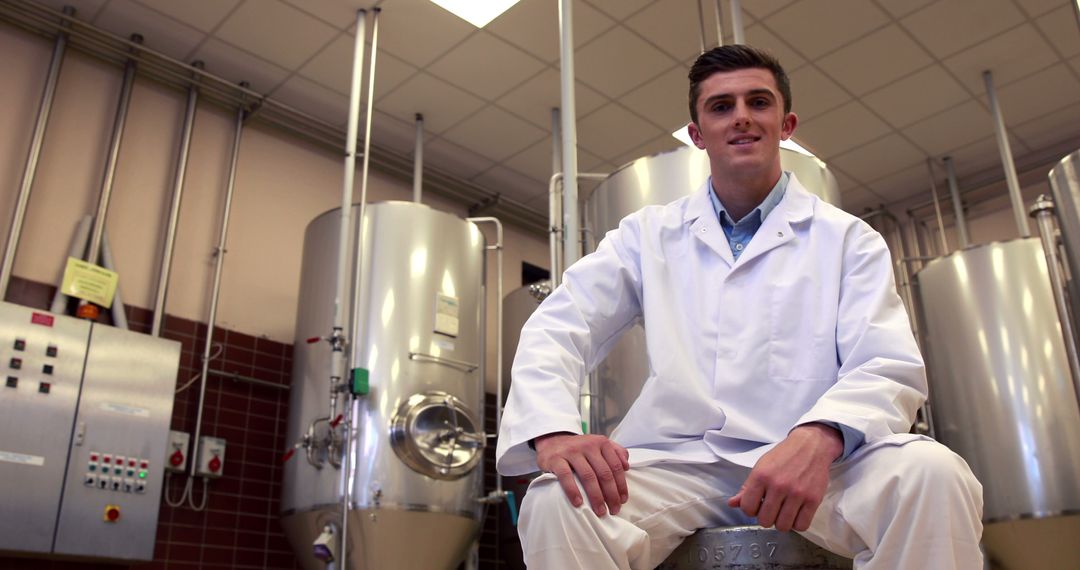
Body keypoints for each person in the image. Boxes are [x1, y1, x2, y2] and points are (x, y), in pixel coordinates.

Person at [495, 45, 984, 569]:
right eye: (721, 106)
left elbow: (885, 362)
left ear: (786, 123)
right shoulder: (648, 234)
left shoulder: (848, 240)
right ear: (698, 134)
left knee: (934, 474)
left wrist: (820, 436)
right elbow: (560, 326)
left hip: (818, 465)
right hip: (679, 461)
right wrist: (553, 432)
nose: (742, 117)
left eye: (759, 101)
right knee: (555, 501)